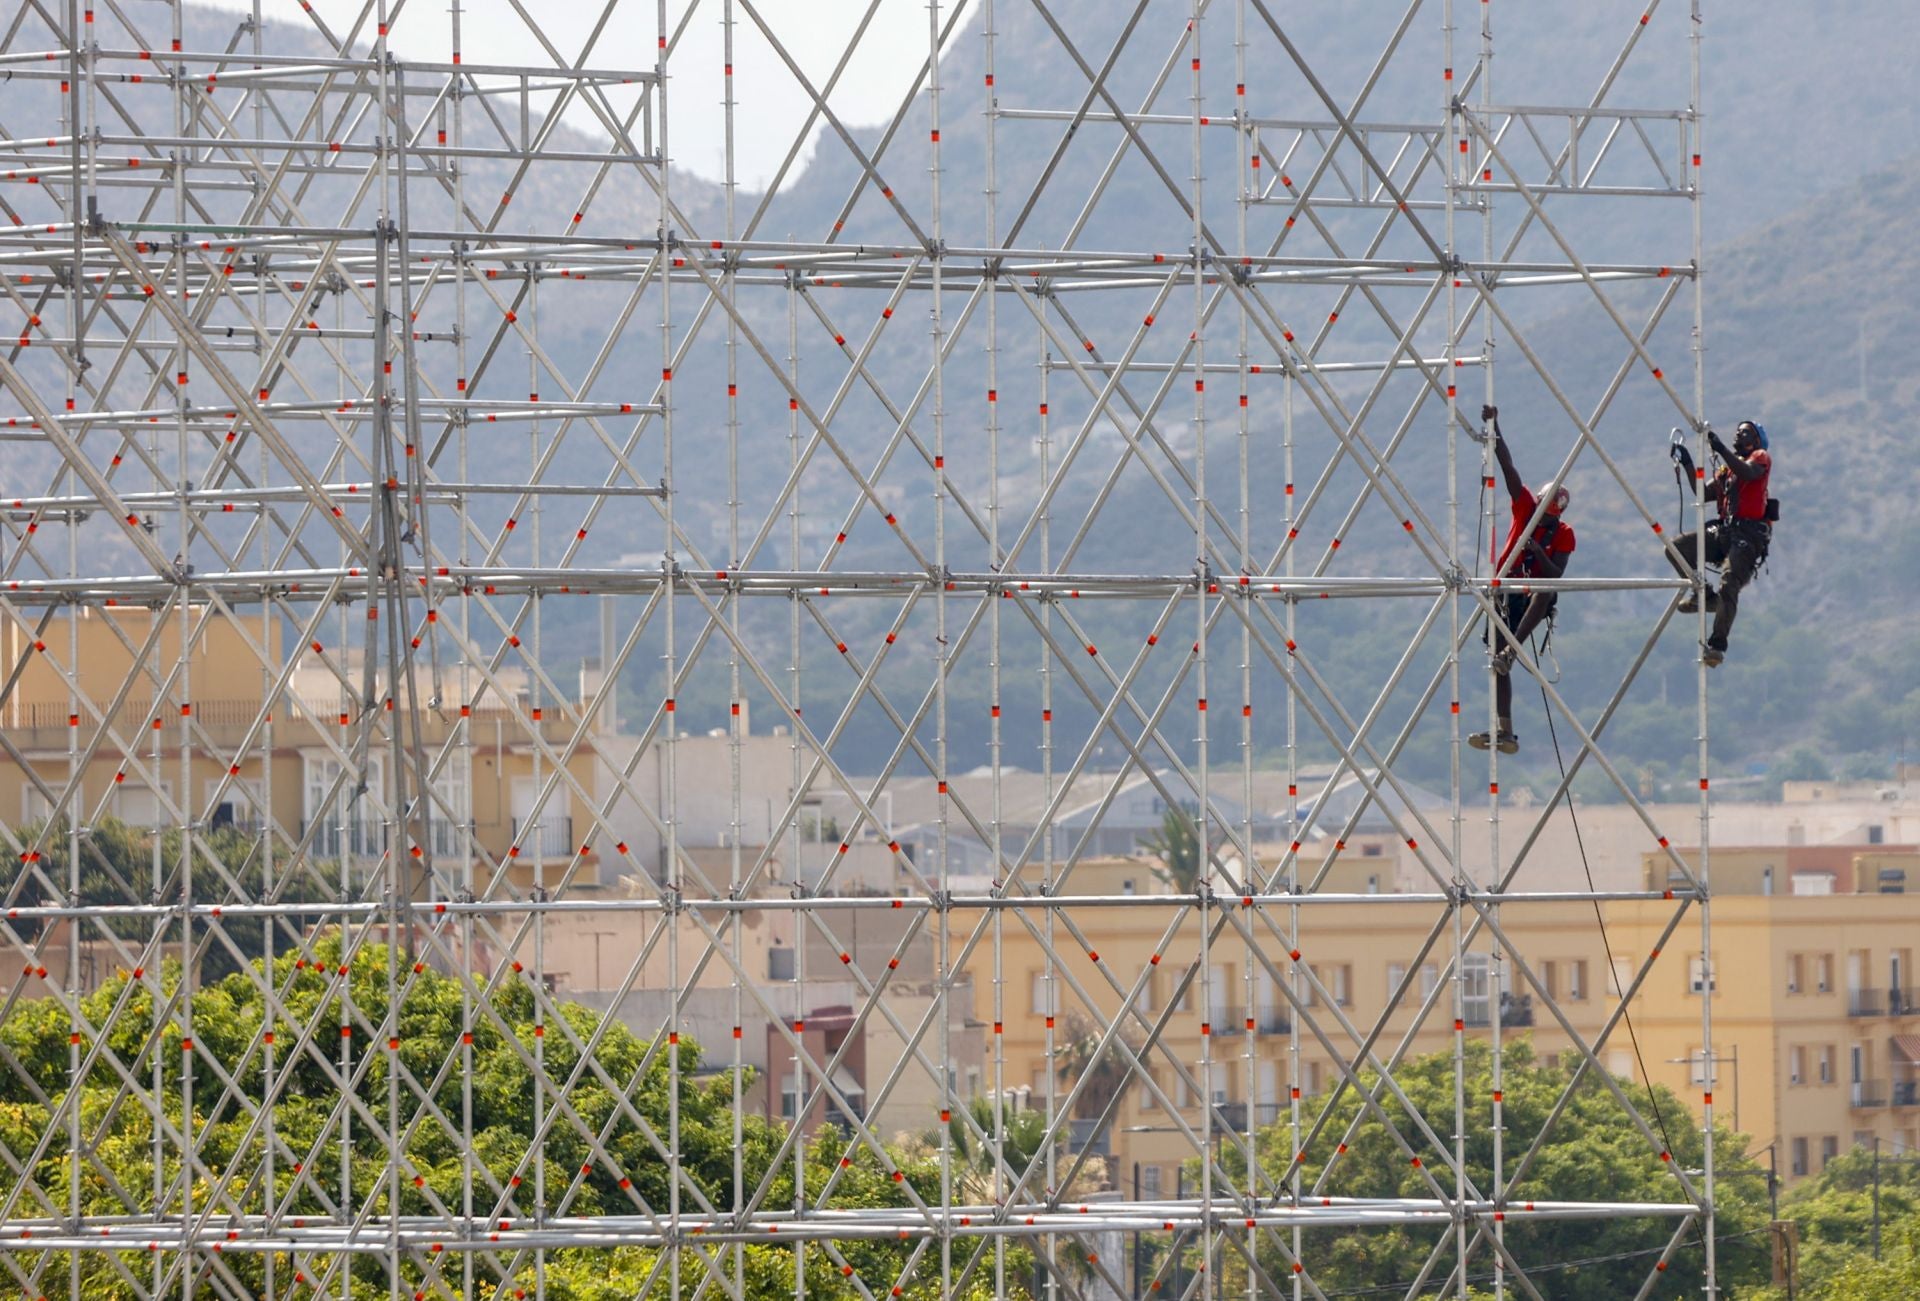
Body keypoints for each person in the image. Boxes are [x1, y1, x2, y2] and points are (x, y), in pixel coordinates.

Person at [1469, 405, 1574, 755]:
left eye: (1549, 515)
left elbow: (1556, 574)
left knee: (1544, 593)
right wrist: (1495, 426)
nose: (1544, 517)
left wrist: (1536, 548)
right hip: (1507, 588)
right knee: (1495, 659)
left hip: (1533, 592)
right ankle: (1505, 730)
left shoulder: (1563, 533)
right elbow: (1507, 466)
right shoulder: (1526, 506)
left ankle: (1511, 651)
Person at [1666, 420, 1772, 668]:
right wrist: (1688, 462)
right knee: (1677, 548)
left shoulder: (1760, 458)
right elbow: (1702, 493)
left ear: (1755, 441)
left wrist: (1722, 448)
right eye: (1737, 430)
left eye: (1745, 432)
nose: (1738, 434)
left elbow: (1749, 473)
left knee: (1729, 584)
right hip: (1725, 533)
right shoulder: (1727, 472)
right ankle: (1703, 596)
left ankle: (1717, 645)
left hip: (1747, 536)